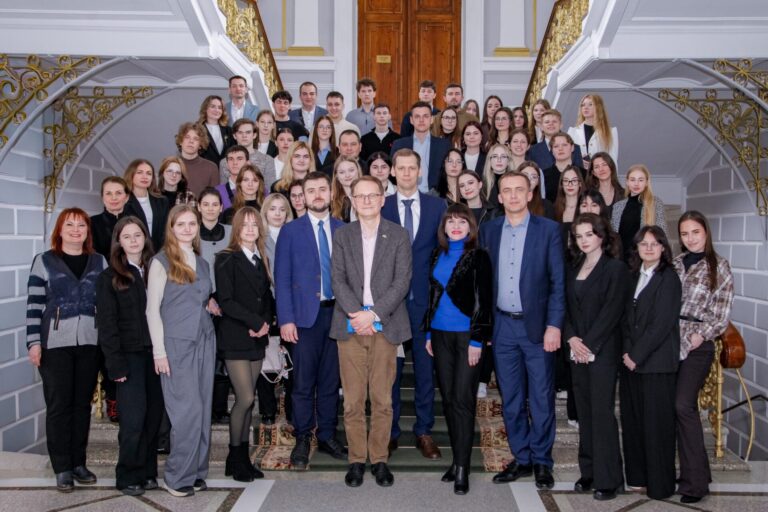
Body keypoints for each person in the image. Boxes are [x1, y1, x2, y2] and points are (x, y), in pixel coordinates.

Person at [480, 171, 565, 489]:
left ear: (530, 194)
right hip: (502, 327)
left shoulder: (549, 230)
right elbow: (483, 283)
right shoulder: (489, 231)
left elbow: (558, 283)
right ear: (500, 197)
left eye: (519, 190)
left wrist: (554, 325)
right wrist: (485, 326)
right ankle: (522, 458)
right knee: (511, 398)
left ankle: (542, 460)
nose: (513, 195)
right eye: (507, 190)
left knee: (541, 398)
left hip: (538, 328)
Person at [330, 175, 413, 488]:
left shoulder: (399, 235)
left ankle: (379, 459)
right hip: (350, 326)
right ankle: (356, 460)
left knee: (382, 400)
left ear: (382, 199)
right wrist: (359, 314)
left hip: (385, 326)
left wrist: (374, 314)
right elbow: (337, 279)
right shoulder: (342, 235)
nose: (366, 201)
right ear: (352, 201)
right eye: (360, 196)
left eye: (372, 195)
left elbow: (402, 281)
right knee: (352, 401)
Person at [26, 208, 106, 492]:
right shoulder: (44, 261)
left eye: (81, 225)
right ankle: (62, 467)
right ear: (59, 230)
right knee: (59, 406)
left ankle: (78, 463)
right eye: (69, 225)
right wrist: (34, 343)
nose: (75, 230)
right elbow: (34, 305)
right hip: (54, 344)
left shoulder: (99, 261)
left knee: (81, 405)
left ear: (87, 231)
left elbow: (105, 302)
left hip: (89, 342)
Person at [274, 171, 348, 469]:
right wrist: (286, 319)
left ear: (331, 193)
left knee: (331, 381)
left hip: (338, 315)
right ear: (302, 197)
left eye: (322, 189)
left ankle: (327, 434)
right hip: (304, 319)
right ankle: (303, 436)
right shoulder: (290, 232)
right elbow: (282, 278)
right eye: (311, 190)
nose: (317, 194)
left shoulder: (344, 229)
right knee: (303, 383)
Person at [146, 204, 219, 497]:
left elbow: (199, 298)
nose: (187, 229)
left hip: (205, 339)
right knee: (186, 411)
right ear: (171, 228)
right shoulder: (161, 261)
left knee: (202, 409)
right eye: (181, 224)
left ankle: (196, 471)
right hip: (176, 344)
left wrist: (210, 304)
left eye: (192, 223)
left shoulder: (202, 263)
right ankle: (176, 477)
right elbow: (152, 310)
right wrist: (159, 352)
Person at [424, 203, 494, 495]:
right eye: (450, 221)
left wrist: (478, 340)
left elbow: (483, 301)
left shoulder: (479, 257)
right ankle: (456, 461)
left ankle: (463, 467)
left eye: (461, 221)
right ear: (444, 226)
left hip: (467, 338)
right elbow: (433, 296)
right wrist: (429, 332)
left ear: (470, 227)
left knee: (463, 401)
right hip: (440, 336)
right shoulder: (436, 254)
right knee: (450, 401)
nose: (455, 226)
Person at [383, 149, 447, 460]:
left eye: (412, 168)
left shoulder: (438, 207)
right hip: (390, 305)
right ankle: (390, 432)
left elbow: (445, 253)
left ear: (420, 172)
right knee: (390, 372)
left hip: (425, 304)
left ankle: (424, 431)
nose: (407, 173)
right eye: (402, 168)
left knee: (425, 371)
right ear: (392, 172)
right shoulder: (381, 205)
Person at [96, 216, 163, 496]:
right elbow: (107, 325)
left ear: (145, 238)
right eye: (127, 236)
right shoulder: (109, 277)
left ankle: (147, 472)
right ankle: (127, 475)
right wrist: (115, 364)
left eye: (138, 235)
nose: (133, 241)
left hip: (156, 354)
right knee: (133, 420)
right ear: (118, 242)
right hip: (128, 356)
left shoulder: (156, 269)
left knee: (153, 418)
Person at [564, 213, 627, 500]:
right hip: (577, 350)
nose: (584, 240)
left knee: (602, 414)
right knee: (584, 413)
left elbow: (612, 311)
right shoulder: (574, 266)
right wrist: (571, 338)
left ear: (601, 235)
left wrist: (588, 344)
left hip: (601, 352)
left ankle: (609, 479)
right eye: (579, 236)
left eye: (589, 234)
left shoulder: (615, 268)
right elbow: (566, 307)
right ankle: (588, 472)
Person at [674, 211, 734, 504]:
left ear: (705, 232)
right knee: (672, 408)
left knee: (683, 405)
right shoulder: (675, 262)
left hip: (698, 343)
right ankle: (697, 472)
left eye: (695, 232)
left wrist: (701, 334)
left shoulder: (718, 266)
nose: (690, 238)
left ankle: (695, 484)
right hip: (670, 340)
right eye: (684, 233)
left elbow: (721, 314)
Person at [620, 225, 681, 501]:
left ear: (663, 248)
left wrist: (636, 355)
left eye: (654, 244)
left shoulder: (669, 279)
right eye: (643, 243)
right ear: (636, 247)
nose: (648, 248)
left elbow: (661, 324)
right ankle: (637, 478)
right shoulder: (633, 275)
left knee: (657, 426)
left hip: (656, 364)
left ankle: (660, 484)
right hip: (630, 362)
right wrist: (626, 352)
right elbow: (624, 318)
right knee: (633, 423)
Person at [215, 207, 272, 482]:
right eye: (245, 225)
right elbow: (226, 300)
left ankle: (241, 459)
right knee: (245, 398)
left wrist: (265, 323)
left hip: (257, 337)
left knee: (250, 403)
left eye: (254, 225)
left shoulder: (261, 258)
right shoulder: (226, 258)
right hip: (236, 336)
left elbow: (266, 298)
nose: (250, 229)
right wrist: (254, 322)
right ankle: (235, 457)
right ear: (236, 229)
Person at [197, 188, 233, 425]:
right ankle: (203, 409)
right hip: (199, 302)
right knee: (203, 359)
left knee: (222, 359)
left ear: (221, 208)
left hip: (227, 301)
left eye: (214, 204)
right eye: (206, 204)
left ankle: (219, 409)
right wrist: (206, 299)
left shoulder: (231, 233)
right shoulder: (190, 233)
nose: (210, 209)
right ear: (198, 207)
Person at [391, 101, 451, 194]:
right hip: (407, 194)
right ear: (411, 120)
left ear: (432, 119)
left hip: (435, 195)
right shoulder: (399, 144)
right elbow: (393, 173)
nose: (421, 120)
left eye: (425, 116)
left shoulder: (444, 145)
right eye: (417, 116)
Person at [611, 164, 667, 260]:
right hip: (621, 259)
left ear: (646, 182)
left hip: (645, 259)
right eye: (632, 180)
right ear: (627, 182)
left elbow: (662, 234)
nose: (636, 184)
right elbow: (614, 237)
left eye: (640, 180)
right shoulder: (617, 207)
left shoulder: (655, 203)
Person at [123, 159, 170, 251]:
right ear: (131, 175)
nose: (145, 177)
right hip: (132, 251)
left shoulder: (162, 201)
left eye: (149, 173)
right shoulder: (123, 201)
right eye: (140, 172)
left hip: (158, 252)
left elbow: (166, 230)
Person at [221, 118, 277, 190]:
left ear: (254, 135)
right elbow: (223, 191)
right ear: (234, 136)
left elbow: (269, 190)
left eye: (248, 132)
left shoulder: (267, 160)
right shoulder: (224, 162)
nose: (244, 136)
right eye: (240, 132)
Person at [567, 94, 618, 170]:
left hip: (600, 174)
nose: (585, 107)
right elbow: (567, 157)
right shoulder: (572, 131)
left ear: (599, 107)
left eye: (590, 104)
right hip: (579, 173)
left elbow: (613, 160)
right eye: (583, 105)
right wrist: (579, 161)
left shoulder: (611, 131)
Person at [91, 176, 131, 261]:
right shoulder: (91, 223)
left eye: (118, 193)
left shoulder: (136, 222)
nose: (114, 198)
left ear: (127, 197)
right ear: (102, 198)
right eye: (108, 193)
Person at [176, 122, 219, 197]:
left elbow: (215, 198)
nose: (191, 141)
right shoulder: (170, 165)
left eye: (196, 139)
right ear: (180, 141)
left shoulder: (211, 168)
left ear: (200, 145)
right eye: (187, 137)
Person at [543, 132, 585, 203]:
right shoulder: (544, 175)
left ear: (572, 148)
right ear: (552, 150)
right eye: (556, 146)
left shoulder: (584, 174)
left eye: (564, 145)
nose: (560, 149)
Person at [585, 152, 624, 218]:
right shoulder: (589, 196)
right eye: (597, 167)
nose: (601, 169)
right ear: (593, 173)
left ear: (611, 167)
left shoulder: (624, 194)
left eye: (604, 164)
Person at [198, 95, 233, 165]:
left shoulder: (228, 130)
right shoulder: (197, 130)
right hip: (204, 168)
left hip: (225, 170)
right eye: (213, 106)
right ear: (205, 108)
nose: (216, 110)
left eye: (220, 108)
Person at [216, 145, 250, 211]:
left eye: (239, 159)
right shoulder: (217, 191)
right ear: (226, 164)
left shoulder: (259, 190)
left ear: (247, 163)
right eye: (231, 159)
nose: (235, 163)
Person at [482, 143, 515, 210]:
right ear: (489, 160)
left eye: (503, 156)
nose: (499, 160)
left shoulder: (516, 181)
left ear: (508, 161)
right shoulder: (482, 184)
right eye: (495, 156)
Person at [331, 156, 363, 222]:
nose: (347, 175)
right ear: (336, 176)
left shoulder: (369, 196)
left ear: (358, 171)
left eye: (351, 170)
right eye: (342, 172)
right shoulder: (331, 200)